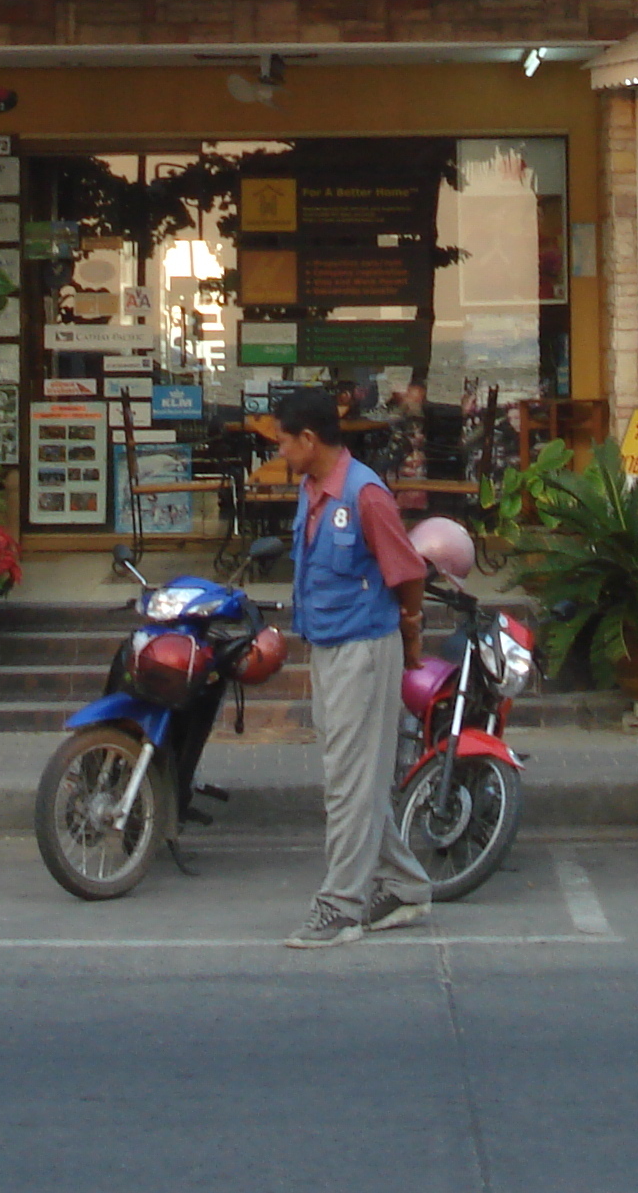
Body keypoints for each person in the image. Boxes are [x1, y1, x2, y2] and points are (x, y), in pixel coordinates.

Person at [268, 389, 434, 948]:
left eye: (284, 441)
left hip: (364, 648)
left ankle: (341, 906)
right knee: (357, 779)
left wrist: (409, 630)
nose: (280, 451)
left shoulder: (365, 495)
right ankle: (407, 887)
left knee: (347, 783)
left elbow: (407, 570)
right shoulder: (312, 489)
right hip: (329, 646)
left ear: (309, 440)